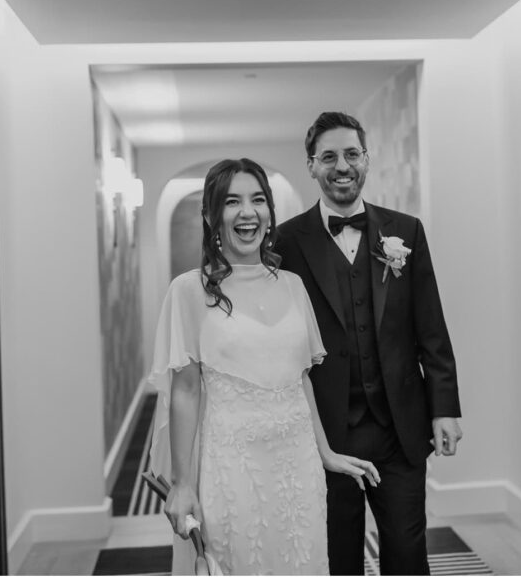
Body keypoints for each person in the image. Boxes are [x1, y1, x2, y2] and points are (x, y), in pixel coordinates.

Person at [147, 158, 381, 575]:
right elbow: (184, 391)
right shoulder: (188, 291)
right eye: (232, 201)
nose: (247, 212)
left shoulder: (292, 285)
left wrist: (325, 452)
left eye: (258, 200)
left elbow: (301, 379)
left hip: (299, 466)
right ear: (210, 216)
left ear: (270, 213)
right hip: (234, 467)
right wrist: (183, 484)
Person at [275, 112, 463, 575]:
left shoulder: (407, 230)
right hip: (326, 431)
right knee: (338, 557)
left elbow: (431, 329)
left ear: (367, 159)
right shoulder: (286, 242)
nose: (343, 166)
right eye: (329, 157)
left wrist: (445, 407)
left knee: (406, 550)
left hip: (399, 426)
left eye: (352, 154)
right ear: (311, 166)